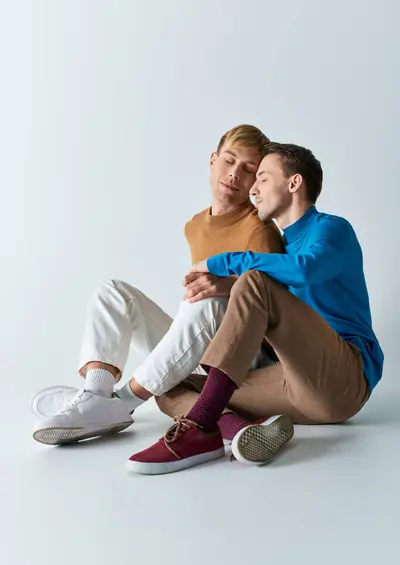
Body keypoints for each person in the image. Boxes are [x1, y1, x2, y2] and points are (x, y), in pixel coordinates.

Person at [126, 142, 384, 475]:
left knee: (254, 280)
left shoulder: (332, 229)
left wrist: (224, 262)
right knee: (171, 386)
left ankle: (200, 428)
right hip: (297, 387)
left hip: (345, 376)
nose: (253, 189)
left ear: (293, 183)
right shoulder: (282, 246)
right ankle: (235, 430)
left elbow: (305, 269)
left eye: (262, 177)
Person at [32, 125, 284, 445]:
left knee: (207, 299)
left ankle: (122, 403)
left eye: (249, 169)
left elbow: (278, 305)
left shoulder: (258, 230)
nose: (235, 174)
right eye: (229, 161)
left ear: (256, 181)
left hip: (245, 360)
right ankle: (95, 394)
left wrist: (230, 287)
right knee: (113, 291)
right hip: (202, 345)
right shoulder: (195, 226)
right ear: (213, 160)